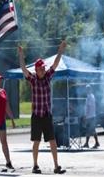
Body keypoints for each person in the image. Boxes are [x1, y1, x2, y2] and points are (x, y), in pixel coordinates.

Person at [18, 41, 66, 174]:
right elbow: (23, 69)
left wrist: (60, 51)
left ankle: (56, 166)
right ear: (37, 70)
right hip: (37, 116)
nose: (44, 70)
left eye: (44, 68)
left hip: (47, 114)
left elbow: (55, 65)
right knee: (36, 142)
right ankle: (35, 165)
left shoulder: (47, 78)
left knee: (53, 141)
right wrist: (21, 56)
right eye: (42, 68)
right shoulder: (33, 79)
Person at [82, 84, 100, 149]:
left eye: (87, 89)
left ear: (89, 89)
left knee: (92, 130)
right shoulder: (92, 96)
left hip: (90, 116)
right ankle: (87, 143)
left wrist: (85, 116)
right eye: (86, 89)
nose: (86, 90)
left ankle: (96, 143)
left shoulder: (89, 97)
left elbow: (88, 108)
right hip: (92, 115)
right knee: (89, 130)